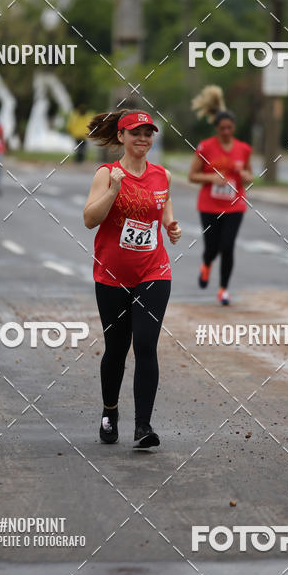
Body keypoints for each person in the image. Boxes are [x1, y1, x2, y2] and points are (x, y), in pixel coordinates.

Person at [83, 109, 181, 448]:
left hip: (153, 272)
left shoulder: (162, 175)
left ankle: (143, 427)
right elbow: (89, 220)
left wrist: (171, 225)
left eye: (148, 133)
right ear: (121, 137)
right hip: (111, 276)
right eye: (136, 132)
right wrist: (113, 191)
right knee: (117, 348)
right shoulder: (106, 173)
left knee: (145, 346)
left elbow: (163, 207)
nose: (143, 139)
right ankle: (110, 412)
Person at [188, 86, 253, 306]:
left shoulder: (243, 149)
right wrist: (212, 179)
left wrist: (246, 175)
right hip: (209, 206)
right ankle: (206, 265)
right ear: (216, 128)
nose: (226, 131)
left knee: (228, 246)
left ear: (234, 127)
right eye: (222, 128)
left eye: (229, 127)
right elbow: (192, 175)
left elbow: (249, 176)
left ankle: (223, 290)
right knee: (212, 248)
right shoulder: (206, 147)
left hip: (235, 206)